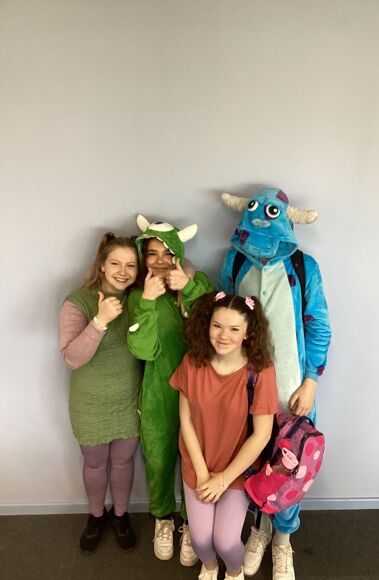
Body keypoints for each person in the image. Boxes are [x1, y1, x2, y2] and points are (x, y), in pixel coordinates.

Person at [218, 188, 332, 580]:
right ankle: (259, 528)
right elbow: (222, 316)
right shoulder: (234, 261)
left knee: (289, 464)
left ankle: (283, 539)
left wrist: (311, 381)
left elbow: (318, 326)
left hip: (290, 390)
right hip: (243, 390)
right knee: (251, 460)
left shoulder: (304, 266)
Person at [170, 291, 279, 580]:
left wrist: (223, 479)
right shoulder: (193, 362)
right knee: (201, 541)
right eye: (217, 326)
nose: (223, 335)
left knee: (226, 542)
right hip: (199, 464)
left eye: (233, 329)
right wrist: (202, 473)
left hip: (237, 470)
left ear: (248, 333)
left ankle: (233, 572)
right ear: (207, 325)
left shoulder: (260, 371)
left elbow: (262, 435)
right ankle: (209, 568)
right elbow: (186, 420)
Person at [127, 217, 213, 564]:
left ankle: (192, 523)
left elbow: (216, 329)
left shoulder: (199, 282)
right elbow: (142, 350)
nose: (160, 261)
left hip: (200, 393)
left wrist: (188, 289)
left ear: (178, 253)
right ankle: (163, 518)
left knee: (197, 459)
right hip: (159, 392)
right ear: (143, 258)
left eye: (167, 253)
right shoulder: (138, 296)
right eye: (152, 254)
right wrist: (148, 302)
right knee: (160, 459)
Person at [60, 232, 142, 553]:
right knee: (95, 464)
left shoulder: (139, 299)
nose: (123, 271)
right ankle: (96, 516)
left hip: (129, 400)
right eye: (116, 263)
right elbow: (72, 357)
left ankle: (120, 516)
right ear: (102, 265)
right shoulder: (78, 300)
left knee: (123, 461)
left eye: (131, 265)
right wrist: (100, 321)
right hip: (90, 403)